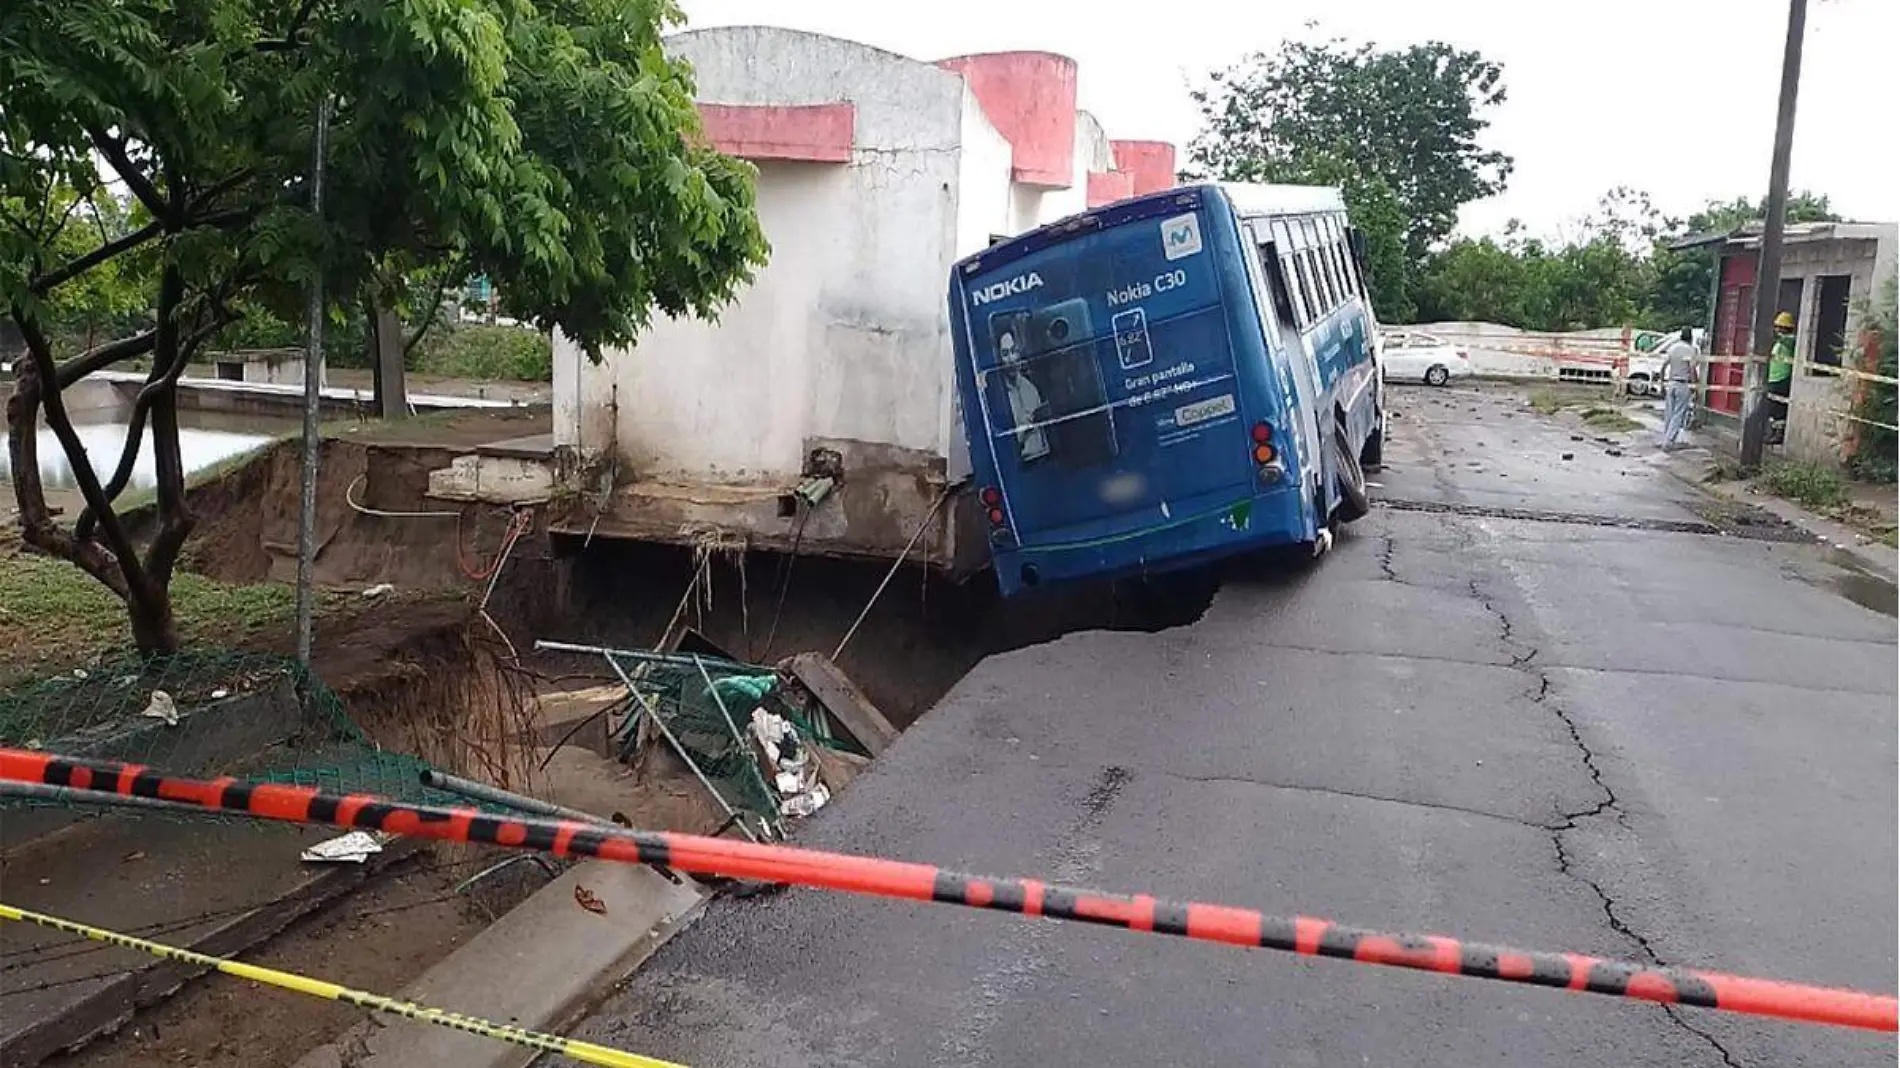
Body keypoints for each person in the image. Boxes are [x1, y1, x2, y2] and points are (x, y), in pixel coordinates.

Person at [1658, 327, 1698, 448]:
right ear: (1690, 337)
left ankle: (1666, 437)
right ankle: (1669, 441)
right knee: (1679, 413)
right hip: (1683, 383)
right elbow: (1692, 369)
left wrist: (1662, 382)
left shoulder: (1673, 348)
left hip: (1671, 383)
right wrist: (1695, 386)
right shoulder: (1690, 350)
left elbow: (1663, 366)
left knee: (1669, 413)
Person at [1766, 310, 1796, 443]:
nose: (1777, 329)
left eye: (1779, 327)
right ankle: (1772, 433)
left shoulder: (1790, 340)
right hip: (1773, 378)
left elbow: (1784, 340)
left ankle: (1779, 435)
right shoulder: (1779, 342)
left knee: (1779, 408)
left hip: (1783, 378)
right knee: (1772, 407)